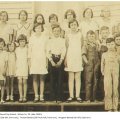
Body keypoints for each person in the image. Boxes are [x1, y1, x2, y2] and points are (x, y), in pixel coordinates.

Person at [28, 23, 48, 103]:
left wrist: (46, 62)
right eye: (36, 28)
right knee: (35, 78)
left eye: (39, 28)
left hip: (42, 59)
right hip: (34, 60)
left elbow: (46, 50)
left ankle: (41, 96)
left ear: (42, 29)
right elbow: (29, 51)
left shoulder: (45, 38)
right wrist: (29, 62)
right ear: (34, 29)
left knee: (42, 78)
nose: (38, 29)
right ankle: (36, 96)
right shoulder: (31, 38)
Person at [64, 19, 83, 102]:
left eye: (75, 24)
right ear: (69, 26)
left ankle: (78, 96)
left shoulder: (80, 34)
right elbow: (66, 47)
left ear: (77, 25)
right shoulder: (67, 35)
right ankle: (71, 96)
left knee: (78, 77)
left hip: (78, 56)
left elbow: (82, 46)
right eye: (71, 25)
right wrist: (65, 58)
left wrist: (81, 57)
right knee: (71, 77)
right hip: (70, 56)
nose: (73, 26)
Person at [46, 24, 66, 102]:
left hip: (60, 59)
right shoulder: (50, 40)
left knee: (60, 79)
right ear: (52, 32)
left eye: (58, 31)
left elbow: (64, 50)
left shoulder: (62, 40)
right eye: (55, 31)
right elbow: (48, 51)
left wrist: (61, 60)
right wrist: (51, 61)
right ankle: (53, 98)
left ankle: (59, 98)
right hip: (52, 59)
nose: (56, 32)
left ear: (60, 32)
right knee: (52, 79)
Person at [101, 38, 119, 111]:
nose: (110, 46)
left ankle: (115, 107)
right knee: (108, 89)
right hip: (107, 72)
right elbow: (102, 64)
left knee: (115, 89)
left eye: (112, 44)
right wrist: (102, 71)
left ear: (114, 44)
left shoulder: (117, 54)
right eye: (108, 44)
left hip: (115, 72)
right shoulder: (104, 54)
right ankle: (109, 108)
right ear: (106, 45)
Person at [82, 30, 100, 102]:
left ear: (95, 37)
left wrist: (99, 45)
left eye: (93, 36)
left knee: (95, 80)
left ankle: (94, 98)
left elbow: (99, 53)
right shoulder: (85, 45)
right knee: (88, 81)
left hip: (96, 63)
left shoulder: (97, 45)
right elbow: (83, 55)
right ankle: (88, 98)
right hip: (89, 64)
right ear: (87, 37)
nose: (91, 37)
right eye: (90, 36)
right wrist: (87, 62)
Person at [15, 34, 28, 102]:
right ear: (18, 42)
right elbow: (15, 59)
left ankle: (25, 96)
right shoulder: (16, 49)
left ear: (25, 42)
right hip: (19, 67)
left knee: (24, 82)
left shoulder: (27, 49)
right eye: (21, 41)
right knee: (20, 82)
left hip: (25, 66)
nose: (22, 42)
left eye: (23, 41)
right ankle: (21, 96)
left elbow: (28, 59)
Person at [0, 38, 7, 103]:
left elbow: (6, 63)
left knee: (2, 84)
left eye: (2, 44)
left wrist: (4, 70)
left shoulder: (5, 53)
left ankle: (1, 99)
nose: (0, 45)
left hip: (2, 71)